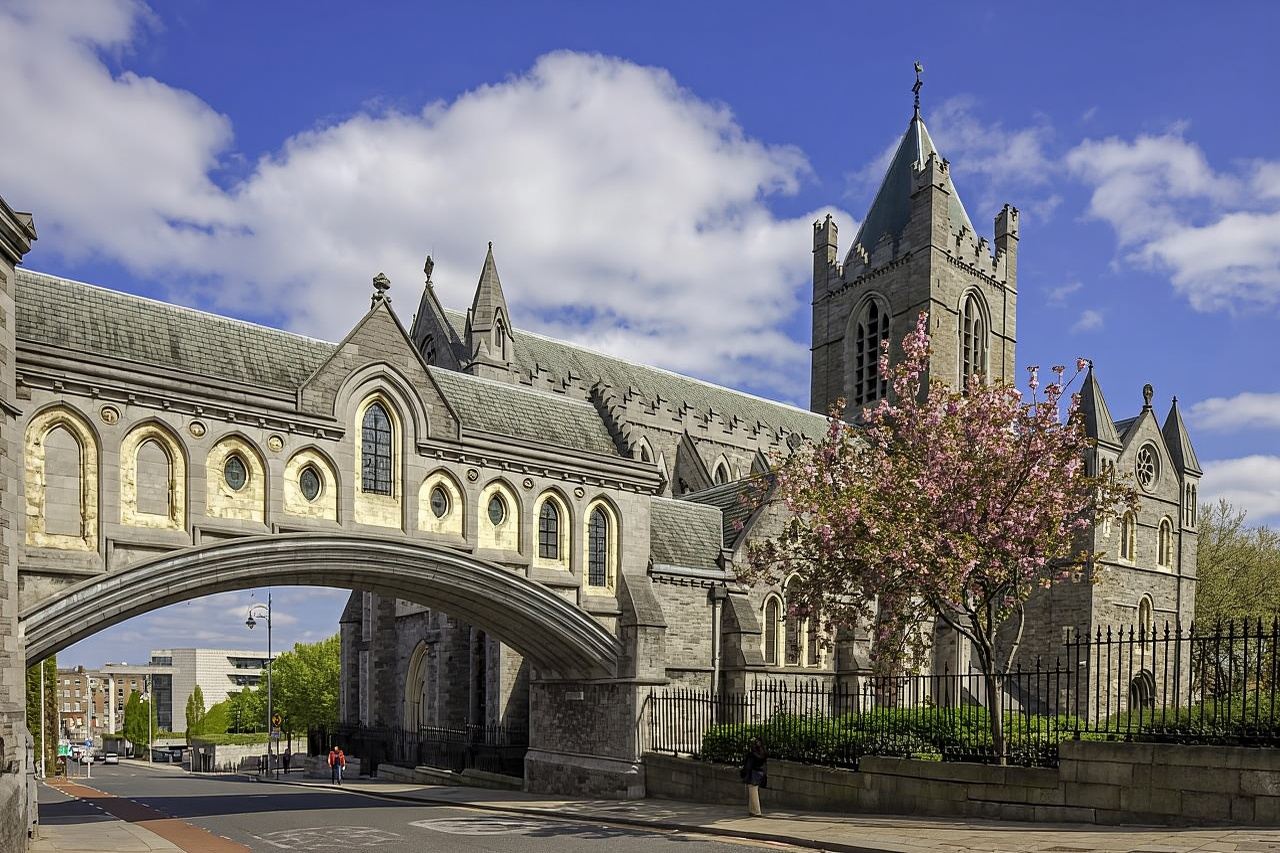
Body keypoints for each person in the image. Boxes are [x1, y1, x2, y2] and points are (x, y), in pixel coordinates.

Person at [740, 738, 767, 817]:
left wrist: (743, 772)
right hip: (760, 773)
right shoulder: (763, 753)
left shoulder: (752, 754)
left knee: (753, 792)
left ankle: (756, 811)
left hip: (753, 773)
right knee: (753, 791)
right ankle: (752, 810)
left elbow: (748, 765)